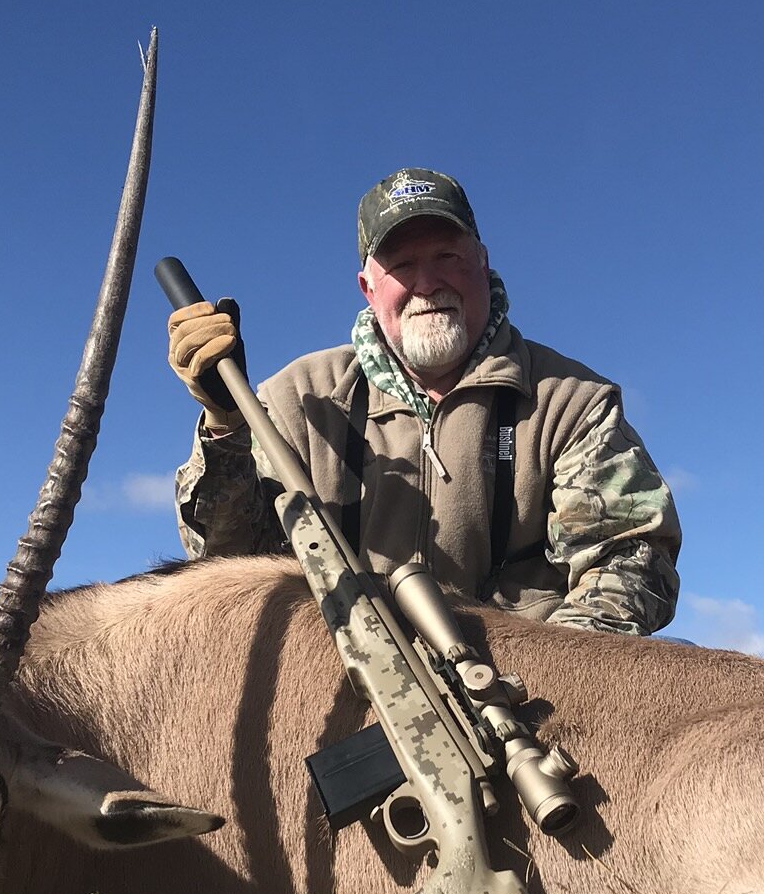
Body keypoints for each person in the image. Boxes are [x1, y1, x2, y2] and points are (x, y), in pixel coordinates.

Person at [168, 167, 680, 635]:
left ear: (482, 262)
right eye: (402, 264)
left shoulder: (571, 402)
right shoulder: (296, 398)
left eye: (447, 257)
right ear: (368, 287)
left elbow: (632, 556)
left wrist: (548, 671)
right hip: (334, 682)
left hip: (522, 693)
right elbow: (222, 560)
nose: (427, 282)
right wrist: (225, 424)